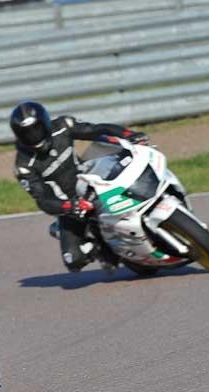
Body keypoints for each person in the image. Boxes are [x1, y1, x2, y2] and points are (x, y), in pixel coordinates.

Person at [10, 100, 150, 272]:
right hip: (70, 205)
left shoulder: (62, 126)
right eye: (27, 134)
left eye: (36, 129)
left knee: (112, 148)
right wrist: (67, 206)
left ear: (45, 123)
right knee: (73, 260)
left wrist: (129, 135)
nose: (33, 136)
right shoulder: (24, 165)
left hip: (90, 180)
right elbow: (42, 198)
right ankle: (100, 249)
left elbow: (97, 130)